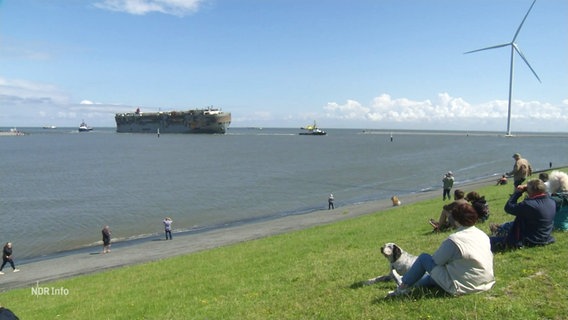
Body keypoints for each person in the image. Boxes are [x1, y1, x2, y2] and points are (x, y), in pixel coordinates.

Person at [388, 203, 495, 297]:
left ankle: (402, 286)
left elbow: (436, 261)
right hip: (485, 282)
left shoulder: (455, 240)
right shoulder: (482, 234)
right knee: (434, 277)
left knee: (424, 258)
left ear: (455, 220)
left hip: (464, 287)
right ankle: (407, 282)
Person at [489, 179, 556, 252]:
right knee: (511, 225)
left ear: (531, 190)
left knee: (487, 241)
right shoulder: (551, 201)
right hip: (545, 237)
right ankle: (499, 229)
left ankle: (498, 230)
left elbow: (508, 207)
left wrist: (517, 193)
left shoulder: (529, 204)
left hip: (529, 241)